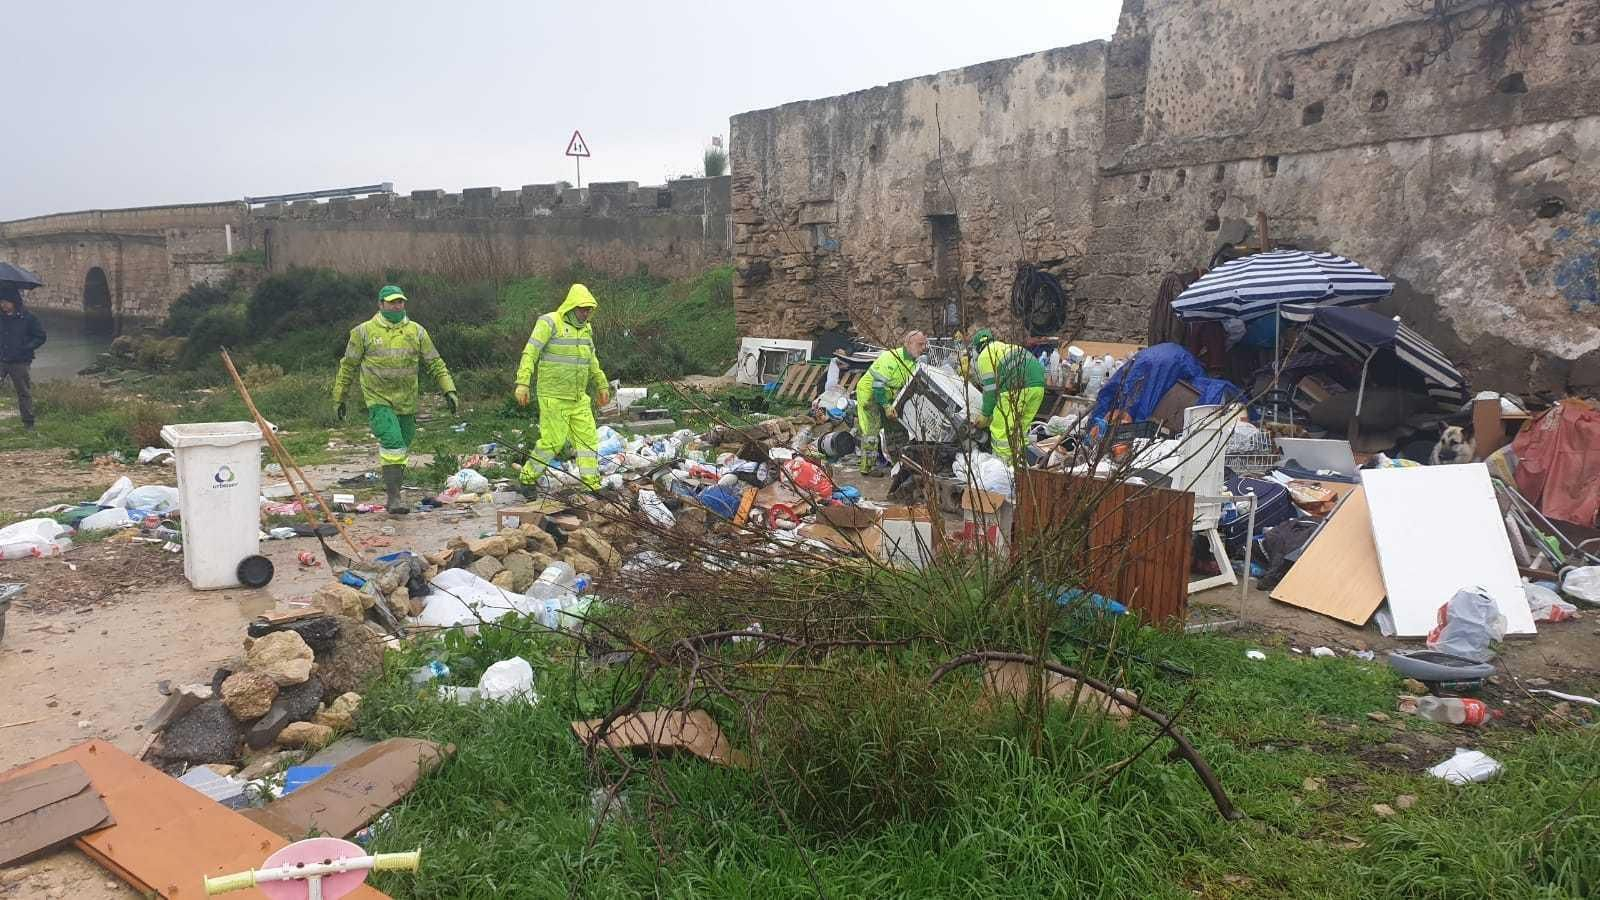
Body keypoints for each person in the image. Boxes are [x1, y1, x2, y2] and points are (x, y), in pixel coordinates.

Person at [332, 285, 458, 515]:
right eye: (391, 302)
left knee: (402, 446)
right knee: (393, 443)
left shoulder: (417, 331)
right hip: (378, 399)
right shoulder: (362, 332)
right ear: (380, 304)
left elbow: (435, 363)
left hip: (407, 401)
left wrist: (449, 390)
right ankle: (394, 498)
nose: (396, 306)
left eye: (400, 302)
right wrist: (340, 397)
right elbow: (348, 367)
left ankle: (395, 492)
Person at [515, 283, 610, 491]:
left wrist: (601, 384)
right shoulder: (549, 322)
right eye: (583, 309)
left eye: (589, 310)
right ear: (572, 306)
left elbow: (591, 359)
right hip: (553, 396)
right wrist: (523, 382)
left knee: (588, 442)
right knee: (552, 442)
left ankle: (592, 485)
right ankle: (527, 478)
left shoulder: (586, 329)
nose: (586, 313)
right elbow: (530, 352)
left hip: (578, 398)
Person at [854, 330, 927, 476]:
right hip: (870, 393)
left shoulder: (913, 362)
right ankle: (867, 468)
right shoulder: (891, 358)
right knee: (871, 429)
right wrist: (887, 406)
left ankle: (899, 463)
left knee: (895, 426)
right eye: (920, 344)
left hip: (888, 393)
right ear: (908, 344)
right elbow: (878, 386)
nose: (923, 348)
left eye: (925, 344)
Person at [969, 329, 1045, 463]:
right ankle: (1023, 465)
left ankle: (1004, 468)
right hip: (1038, 384)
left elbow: (990, 391)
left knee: (1001, 430)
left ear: (977, 348)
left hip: (1016, 386)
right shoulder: (1004, 347)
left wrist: (985, 415)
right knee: (1020, 427)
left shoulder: (985, 356)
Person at [0, 286, 47, 431]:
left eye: (6, 302)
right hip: (1, 359)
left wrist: (25, 347)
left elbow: (40, 336)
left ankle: (28, 423)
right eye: (1, 302)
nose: (3, 305)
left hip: (20, 361)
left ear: (14, 302)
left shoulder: (28, 318)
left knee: (23, 392)